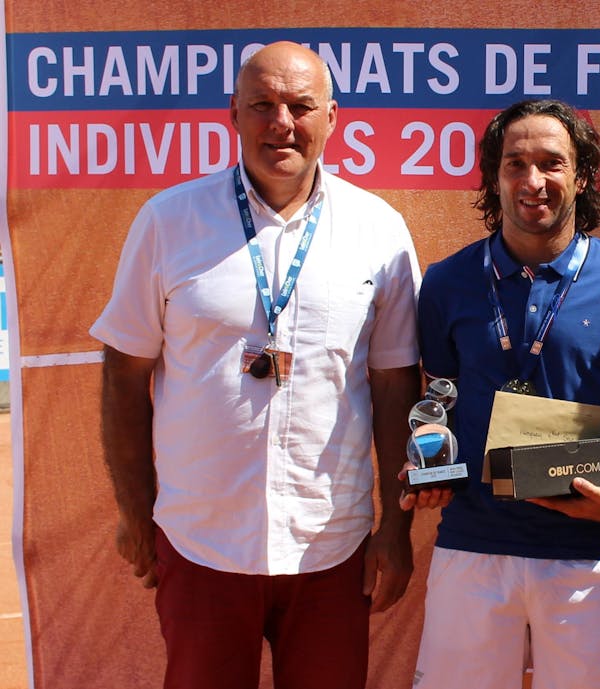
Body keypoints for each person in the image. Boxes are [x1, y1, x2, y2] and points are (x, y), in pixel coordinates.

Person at [91, 41, 422, 689]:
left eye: (300, 105)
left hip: (333, 542)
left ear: (331, 117)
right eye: (262, 105)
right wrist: (138, 513)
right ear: (233, 116)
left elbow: (394, 388)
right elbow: (122, 378)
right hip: (200, 541)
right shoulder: (168, 220)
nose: (282, 122)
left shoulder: (378, 230)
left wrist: (396, 526)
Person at [404, 99, 600, 689]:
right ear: (493, 175)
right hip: (472, 550)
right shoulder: (445, 281)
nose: (533, 182)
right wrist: (427, 470)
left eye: (552, 164)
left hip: (588, 553)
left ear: (582, 175)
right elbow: (436, 406)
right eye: (515, 163)